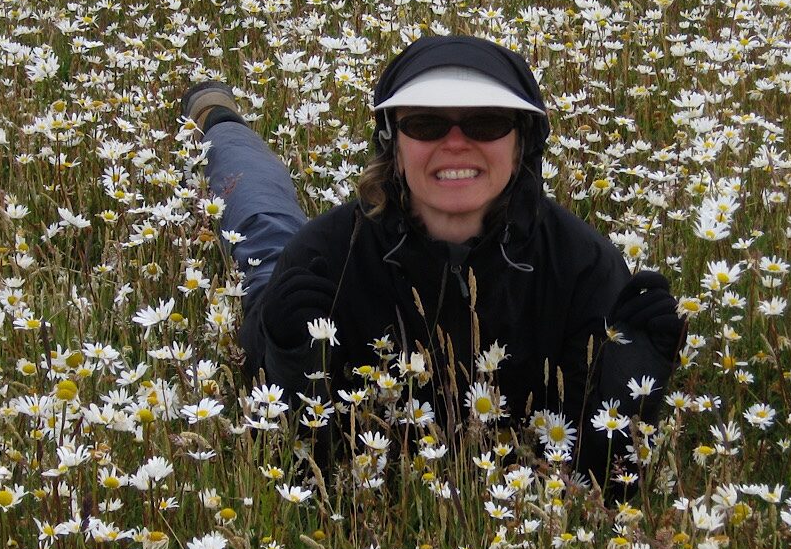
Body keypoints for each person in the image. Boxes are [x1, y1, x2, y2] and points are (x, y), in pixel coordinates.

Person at [184, 35, 683, 500]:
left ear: (523, 141)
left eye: (486, 122)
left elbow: (597, 486)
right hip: (298, 270)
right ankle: (222, 123)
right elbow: (294, 455)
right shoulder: (325, 255)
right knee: (265, 230)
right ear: (392, 141)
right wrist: (288, 352)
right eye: (426, 123)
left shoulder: (583, 266)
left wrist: (628, 407)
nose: (456, 143)